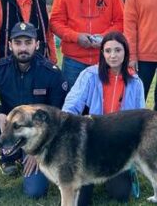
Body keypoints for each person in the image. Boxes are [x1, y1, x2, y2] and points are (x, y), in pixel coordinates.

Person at [0, 22, 68, 205]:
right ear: (10, 45)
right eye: (18, 43)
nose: (23, 48)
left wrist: (37, 149)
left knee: (35, 192)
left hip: (38, 138)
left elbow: (59, 117)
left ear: (37, 44)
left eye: (28, 42)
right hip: (8, 130)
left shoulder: (51, 73)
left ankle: (26, 158)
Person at [0, 0, 57, 175]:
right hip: (10, 66)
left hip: (38, 65)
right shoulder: (0, 2)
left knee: (35, 115)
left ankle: (36, 152)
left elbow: (47, 34)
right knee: (11, 110)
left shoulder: (40, 2)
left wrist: (52, 59)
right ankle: (8, 155)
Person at [62, 31, 145, 205]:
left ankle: (114, 175)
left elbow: (141, 118)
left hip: (118, 144)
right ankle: (88, 177)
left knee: (121, 193)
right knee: (81, 201)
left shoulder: (136, 83)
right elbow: (70, 107)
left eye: (117, 50)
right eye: (108, 51)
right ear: (102, 53)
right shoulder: (89, 75)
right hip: (90, 143)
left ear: (125, 52)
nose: (113, 55)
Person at [50, 0, 124, 89]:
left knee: (103, 106)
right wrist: (76, 37)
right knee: (72, 106)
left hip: (105, 59)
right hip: (73, 61)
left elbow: (121, 21)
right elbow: (56, 23)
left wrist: (104, 38)